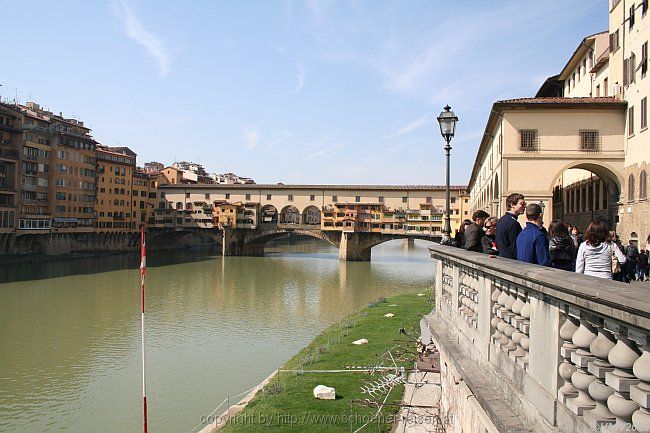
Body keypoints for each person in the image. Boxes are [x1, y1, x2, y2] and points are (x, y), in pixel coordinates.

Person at [496, 193, 526, 259]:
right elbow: (515, 246)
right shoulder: (513, 223)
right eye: (522, 204)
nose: (524, 207)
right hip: (511, 261)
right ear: (512, 205)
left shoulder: (501, 220)